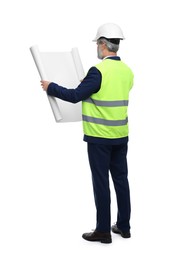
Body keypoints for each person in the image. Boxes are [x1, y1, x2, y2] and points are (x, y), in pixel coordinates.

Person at [41, 23, 134, 244]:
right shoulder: (127, 71)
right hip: (120, 135)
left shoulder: (98, 71)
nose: (97, 48)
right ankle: (124, 226)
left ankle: (103, 231)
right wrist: (90, 86)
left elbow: (74, 96)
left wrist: (51, 86)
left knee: (101, 182)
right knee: (121, 181)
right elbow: (109, 93)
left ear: (103, 44)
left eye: (98, 44)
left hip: (99, 137)